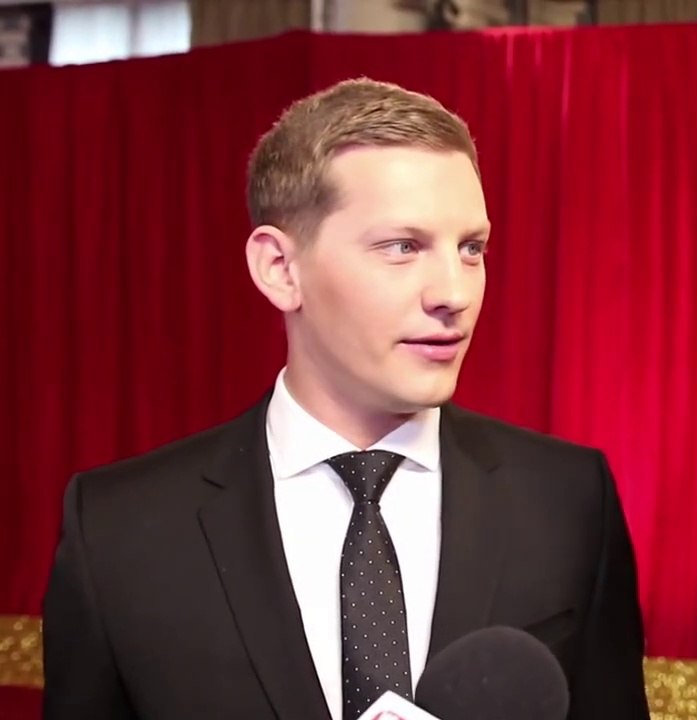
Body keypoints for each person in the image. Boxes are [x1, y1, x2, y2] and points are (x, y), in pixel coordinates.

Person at [42, 78, 650, 720]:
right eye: (403, 247)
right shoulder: (116, 530)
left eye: (471, 248)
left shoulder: (568, 501)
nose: (454, 293)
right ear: (280, 269)